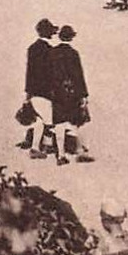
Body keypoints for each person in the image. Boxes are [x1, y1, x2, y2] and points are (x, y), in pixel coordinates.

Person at [49, 25, 92, 165]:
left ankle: (61, 155)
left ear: (60, 36)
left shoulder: (52, 53)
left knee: (59, 124)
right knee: (75, 122)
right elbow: (78, 76)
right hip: (72, 93)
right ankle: (79, 151)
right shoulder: (74, 54)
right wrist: (84, 95)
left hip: (56, 93)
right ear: (72, 37)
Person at [20, 18, 58, 154]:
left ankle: (34, 143)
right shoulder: (52, 51)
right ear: (50, 34)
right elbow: (54, 74)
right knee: (48, 120)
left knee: (38, 118)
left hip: (34, 90)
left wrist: (28, 93)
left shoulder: (32, 49)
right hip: (47, 91)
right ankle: (44, 146)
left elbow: (29, 71)